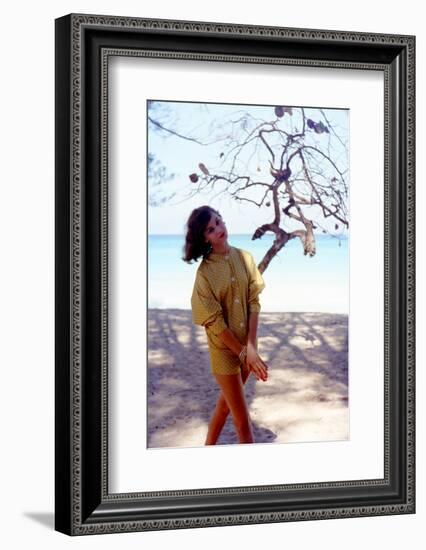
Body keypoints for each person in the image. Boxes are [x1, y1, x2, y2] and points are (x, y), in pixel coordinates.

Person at [183, 205, 269, 444]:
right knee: (243, 423)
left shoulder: (246, 258)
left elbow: (254, 302)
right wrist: (243, 353)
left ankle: (207, 449)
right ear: (204, 237)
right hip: (224, 351)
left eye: (219, 222)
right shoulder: (204, 275)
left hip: (246, 348)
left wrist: (251, 349)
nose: (219, 229)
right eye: (211, 229)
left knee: (224, 408)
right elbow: (215, 323)